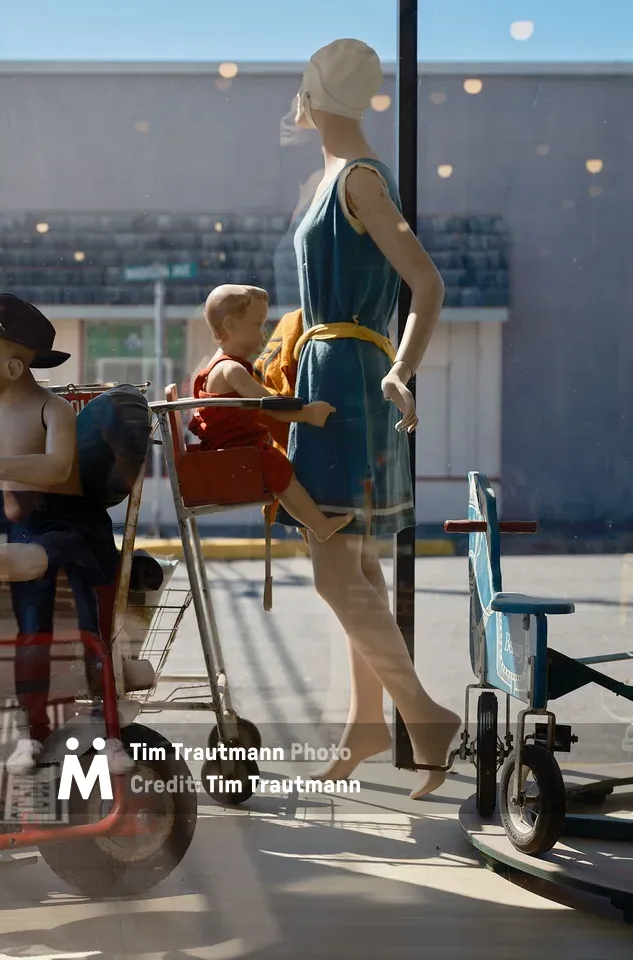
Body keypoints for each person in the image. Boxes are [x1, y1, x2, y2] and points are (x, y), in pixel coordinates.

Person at [281, 38, 461, 799]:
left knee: (334, 565)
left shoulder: (356, 179)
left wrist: (397, 369)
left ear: (317, 92)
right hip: (335, 372)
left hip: (354, 384)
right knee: (355, 567)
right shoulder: (335, 177)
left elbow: (426, 281)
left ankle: (422, 715)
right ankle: (364, 725)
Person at [0, 280, 131, 776]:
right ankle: (32, 730)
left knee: (92, 633)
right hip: (18, 526)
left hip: (69, 526)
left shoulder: (52, 410)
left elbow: (59, 468)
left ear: (15, 367)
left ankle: (111, 730)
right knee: (30, 635)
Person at [191, 283, 354, 543]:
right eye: (257, 325)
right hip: (237, 454)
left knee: (278, 465)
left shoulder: (217, 365)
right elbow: (268, 404)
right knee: (279, 468)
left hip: (238, 447)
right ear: (231, 325)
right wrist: (307, 413)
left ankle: (314, 523)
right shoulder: (231, 370)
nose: (264, 333)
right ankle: (318, 524)